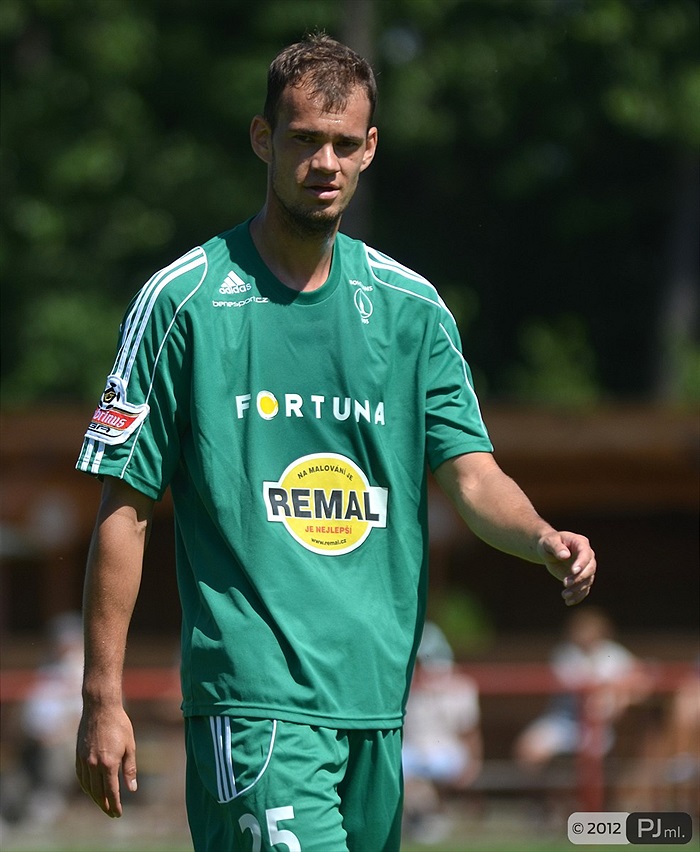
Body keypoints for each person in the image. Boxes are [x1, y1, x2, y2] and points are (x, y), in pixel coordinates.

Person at [74, 32, 596, 852]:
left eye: (344, 144)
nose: (326, 163)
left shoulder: (412, 310)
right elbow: (125, 504)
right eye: (305, 141)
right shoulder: (183, 301)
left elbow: (471, 476)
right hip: (254, 703)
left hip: (379, 706)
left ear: (370, 149)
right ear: (262, 140)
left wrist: (540, 537)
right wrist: (101, 698)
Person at [514, 607, 649, 769]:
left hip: (600, 725)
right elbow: (582, 687)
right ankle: (535, 793)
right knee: (529, 749)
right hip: (564, 721)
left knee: (590, 765)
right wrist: (612, 685)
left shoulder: (612, 652)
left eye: (589, 629)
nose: (584, 634)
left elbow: (642, 679)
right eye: (580, 629)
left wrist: (621, 694)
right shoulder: (565, 653)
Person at [402, 622, 482, 843]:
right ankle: (420, 819)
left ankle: (428, 819)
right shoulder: (405, 688)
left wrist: (473, 763)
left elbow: (470, 732)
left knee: (432, 764)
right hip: (412, 752)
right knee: (399, 766)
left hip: (447, 751)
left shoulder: (461, 686)